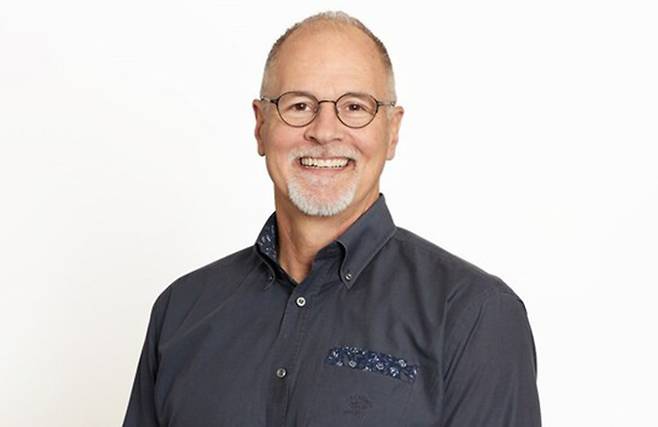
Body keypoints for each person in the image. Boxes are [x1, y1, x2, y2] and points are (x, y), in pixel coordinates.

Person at [123, 11, 541, 427]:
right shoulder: (181, 311)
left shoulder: (474, 315)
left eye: (355, 107)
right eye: (299, 105)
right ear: (260, 125)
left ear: (392, 131)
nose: (324, 132)